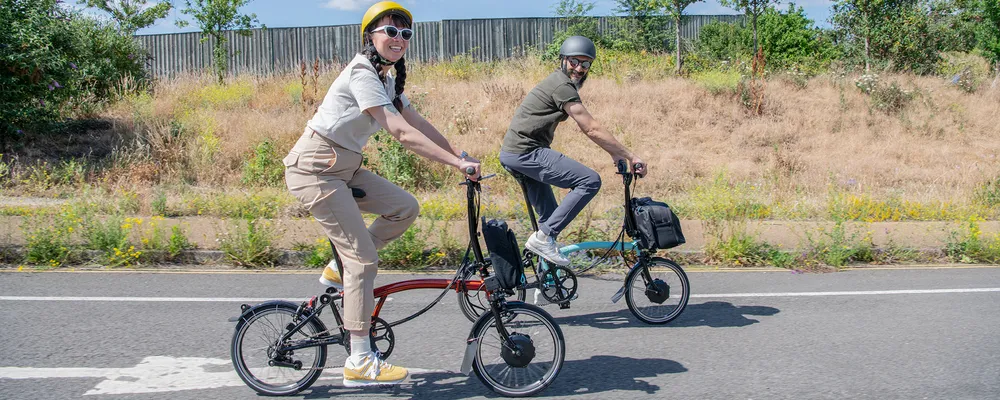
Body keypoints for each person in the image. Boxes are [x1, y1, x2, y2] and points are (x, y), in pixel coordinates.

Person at [282, 1, 480, 387]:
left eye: (405, 33)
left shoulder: (387, 80)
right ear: (370, 36)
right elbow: (401, 134)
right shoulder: (361, 72)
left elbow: (416, 122)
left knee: (404, 207)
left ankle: (339, 270)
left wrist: (460, 155)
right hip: (314, 169)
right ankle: (359, 360)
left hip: (344, 167)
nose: (399, 39)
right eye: (390, 31)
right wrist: (456, 166)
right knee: (363, 260)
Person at [499, 35, 647, 266]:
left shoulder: (559, 82)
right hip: (525, 152)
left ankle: (546, 282)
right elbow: (590, 127)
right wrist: (630, 155)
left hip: (518, 153)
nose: (579, 68)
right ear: (563, 60)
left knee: (550, 217)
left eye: (585, 64)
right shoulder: (561, 85)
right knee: (589, 181)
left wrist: (614, 153)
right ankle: (543, 238)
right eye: (574, 61)